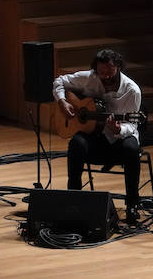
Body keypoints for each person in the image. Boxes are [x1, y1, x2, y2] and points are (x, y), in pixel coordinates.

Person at [53, 49, 143, 221]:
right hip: (94, 136)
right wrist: (62, 101)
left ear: (118, 67)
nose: (105, 77)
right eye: (101, 73)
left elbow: (132, 124)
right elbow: (59, 81)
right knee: (76, 144)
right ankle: (74, 200)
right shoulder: (90, 78)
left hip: (118, 139)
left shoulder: (132, 90)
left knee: (132, 148)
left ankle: (132, 204)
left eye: (109, 72)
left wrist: (119, 130)